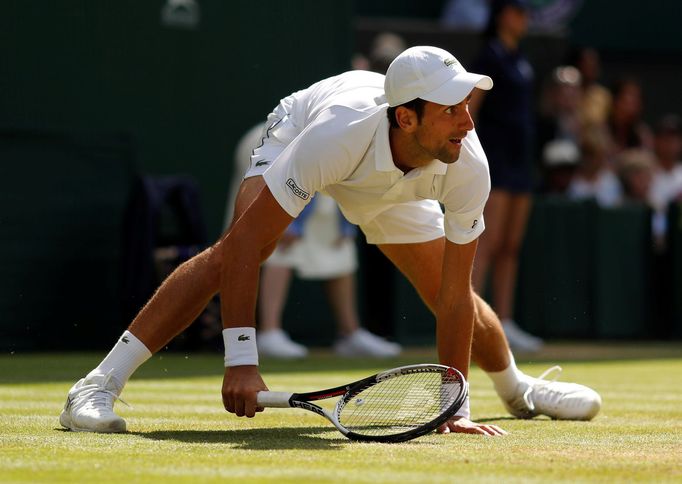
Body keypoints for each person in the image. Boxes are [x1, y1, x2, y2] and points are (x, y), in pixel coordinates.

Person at [60, 46, 601, 437]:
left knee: (443, 282)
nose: (466, 120)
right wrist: (241, 360)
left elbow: (458, 295)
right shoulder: (331, 137)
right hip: (303, 133)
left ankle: (516, 390)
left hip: (400, 179)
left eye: (466, 105)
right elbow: (246, 250)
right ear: (408, 117)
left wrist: (452, 405)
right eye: (451, 109)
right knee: (231, 250)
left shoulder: (466, 162)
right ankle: (95, 384)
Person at [226, 123, 401, 359]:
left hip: (317, 158)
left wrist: (345, 225)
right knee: (278, 240)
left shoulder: (362, 137)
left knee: (339, 244)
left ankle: (349, 334)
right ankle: (269, 332)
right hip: (276, 151)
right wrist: (287, 220)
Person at [467, 0, 543, 352]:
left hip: (521, 161)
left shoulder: (520, 59)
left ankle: (504, 323)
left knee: (510, 246)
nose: (524, 18)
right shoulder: (488, 58)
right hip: (495, 160)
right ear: (502, 15)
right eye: (518, 10)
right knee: (489, 242)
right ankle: (470, 319)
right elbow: (472, 110)